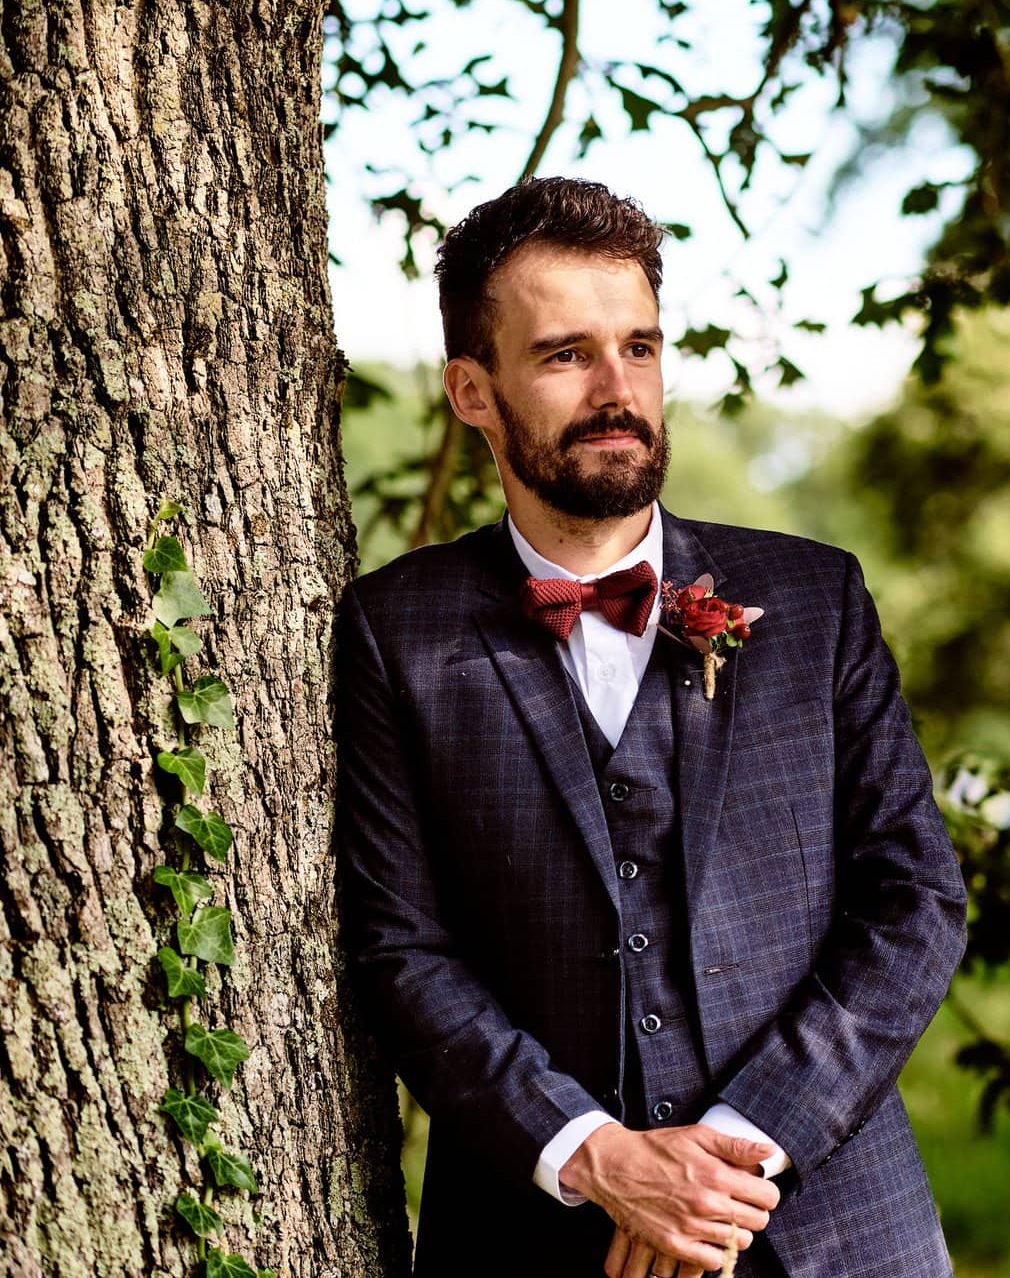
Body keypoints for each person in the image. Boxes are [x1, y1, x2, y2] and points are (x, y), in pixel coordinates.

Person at [332, 175, 966, 1278]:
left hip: (831, 1232)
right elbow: (400, 947)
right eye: (565, 355)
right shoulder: (396, 627)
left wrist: (729, 1154)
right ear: (472, 392)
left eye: (639, 346)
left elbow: (914, 897)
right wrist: (596, 1156)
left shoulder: (815, 599)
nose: (617, 389)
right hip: (537, 1240)